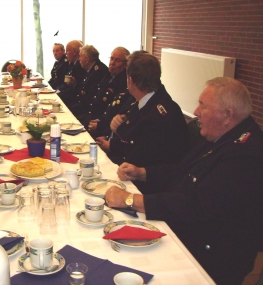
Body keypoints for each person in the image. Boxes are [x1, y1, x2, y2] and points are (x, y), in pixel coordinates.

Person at [105, 77, 263, 285]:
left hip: (209, 254)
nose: (196, 112)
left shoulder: (245, 154)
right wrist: (142, 172)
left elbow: (198, 205)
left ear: (227, 115)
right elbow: (184, 171)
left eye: (203, 106)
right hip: (187, 228)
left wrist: (130, 200)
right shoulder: (219, 136)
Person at [96, 51, 188, 192]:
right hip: (132, 171)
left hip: (147, 186)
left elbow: (137, 152)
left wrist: (117, 134)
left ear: (130, 80)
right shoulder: (147, 100)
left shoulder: (160, 113)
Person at [67, 44, 109, 117]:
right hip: (83, 106)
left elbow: (89, 99)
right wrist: (75, 85)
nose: (79, 59)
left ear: (87, 59)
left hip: (90, 112)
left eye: (80, 56)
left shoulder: (98, 72)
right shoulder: (90, 70)